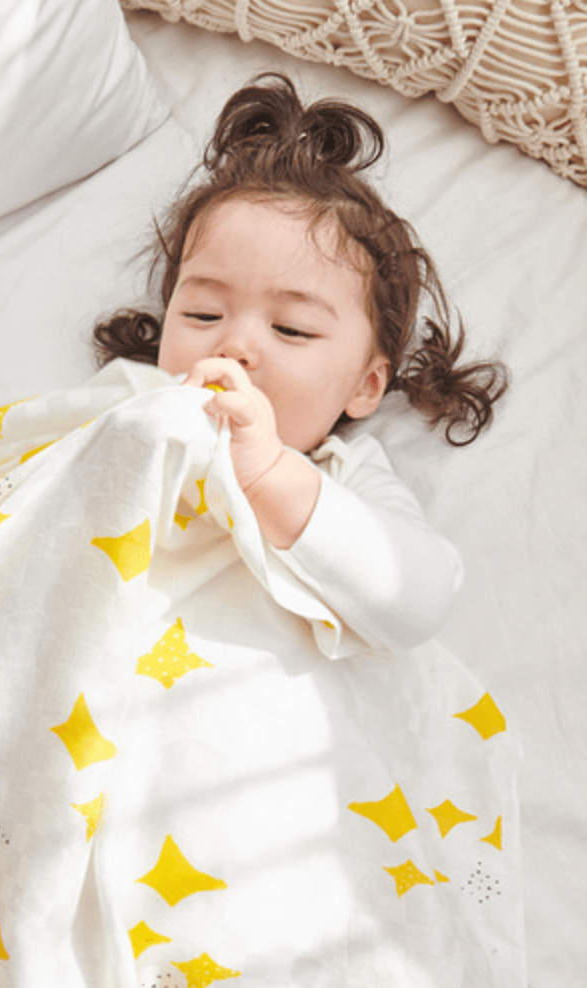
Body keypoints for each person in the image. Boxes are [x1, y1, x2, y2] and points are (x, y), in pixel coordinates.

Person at [92, 73, 508, 653]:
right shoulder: (124, 403)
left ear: (365, 388)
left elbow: (421, 601)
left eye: (291, 328)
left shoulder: (343, 475)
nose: (233, 347)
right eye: (204, 314)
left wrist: (269, 477)